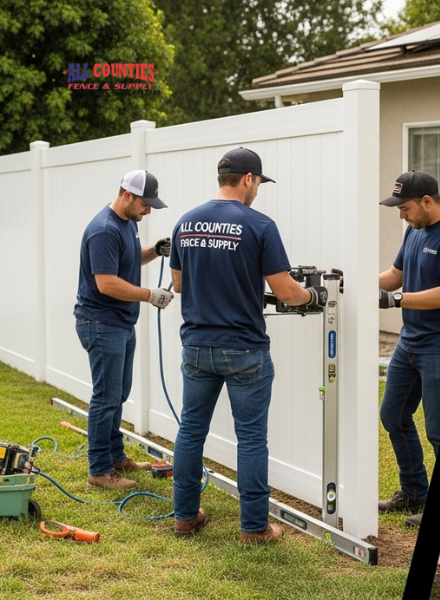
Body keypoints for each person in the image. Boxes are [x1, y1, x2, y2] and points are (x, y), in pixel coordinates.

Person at [169, 147, 327, 542]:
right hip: (243, 350)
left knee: (191, 431)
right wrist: (315, 297)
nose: (257, 190)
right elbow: (286, 292)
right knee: (252, 436)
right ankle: (254, 528)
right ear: (247, 180)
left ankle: (185, 517)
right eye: (257, 183)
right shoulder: (259, 225)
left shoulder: (185, 223)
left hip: (197, 346)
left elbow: (178, 285)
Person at [377, 170, 440, 527]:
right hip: (411, 343)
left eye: (404, 208)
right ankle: (415, 492)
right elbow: (394, 275)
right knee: (393, 415)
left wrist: (393, 301)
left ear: (426, 201)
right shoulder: (415, 230)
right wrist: (354, 281)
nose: (401, 216)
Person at [75, 170, 173, 491]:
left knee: (119, 394)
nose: (149, 211)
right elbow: (106, 283)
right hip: (101, 323)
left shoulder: (128, 223)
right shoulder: (104, 230)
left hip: (119, 323)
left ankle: (115, 457)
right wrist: (149, 295)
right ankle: (99, 471)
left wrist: (155, 250)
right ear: (127, 195)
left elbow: (128, 259)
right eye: (146, 204)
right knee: (106, 397)